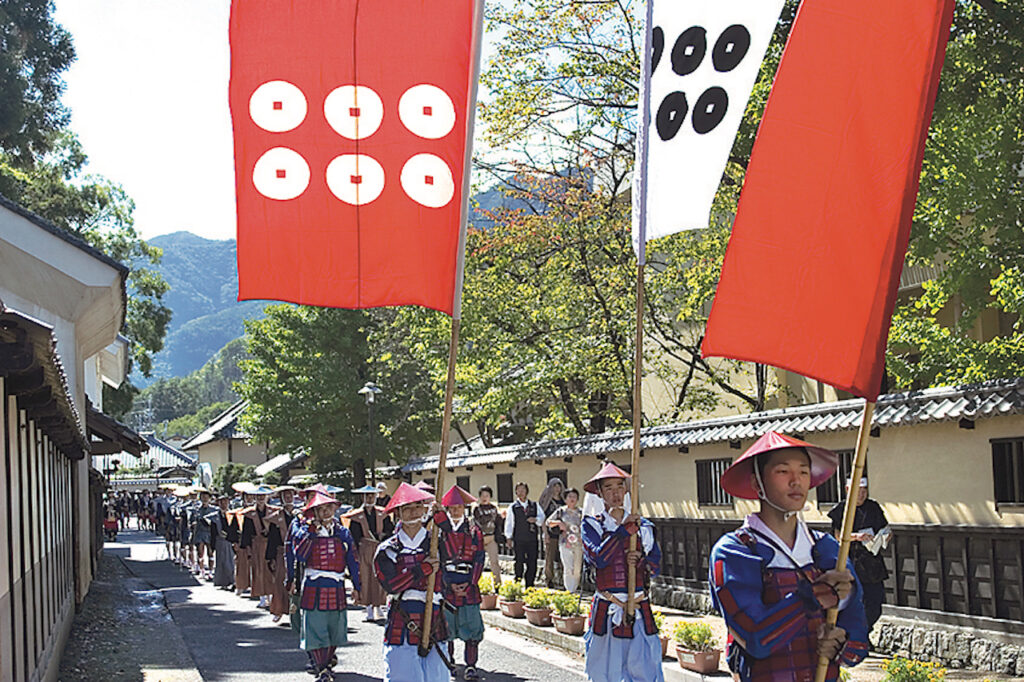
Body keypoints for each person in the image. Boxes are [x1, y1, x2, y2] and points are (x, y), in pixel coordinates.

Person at [709, 431, 869, 682]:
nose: (796, 481)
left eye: (804, 472)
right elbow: (754, 637)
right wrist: (814, 596)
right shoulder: (734, 551)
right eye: (783, 471)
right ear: (756, 483)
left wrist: (840, 643)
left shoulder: (826, 547)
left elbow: (857, 631)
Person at [582, 463, 664, 682]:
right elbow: (598, 559)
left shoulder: (644, 527)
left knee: (645, 669)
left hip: (638, 604)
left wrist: (639, 561)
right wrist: (621, 533)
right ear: (599, 493)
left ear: (627, 489)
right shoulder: (592, 525)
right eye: (608, 487)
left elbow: (655, 567)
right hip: (609, 605)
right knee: (602, 671)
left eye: (619, 486)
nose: (615, 492)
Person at [373, 482, 449, 682]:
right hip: (402, 615)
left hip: (434, 617)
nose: (413, 512)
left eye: (417, 506)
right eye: (406, 508)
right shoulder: (387, 549)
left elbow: (457, 559)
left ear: (425, 509)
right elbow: (390, 585)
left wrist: (446, 526)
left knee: (437, 678)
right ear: (398, 514)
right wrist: (421, 570)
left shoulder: (437, 544)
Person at [292, 490, 361, 682]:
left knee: (335, 629)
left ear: (335, 508)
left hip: (337, 585)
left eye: (329, 507)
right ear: (313, 511)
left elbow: (352, 560)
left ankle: (327, 662)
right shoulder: (304, 531)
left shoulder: (342, 532)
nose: (325, 512)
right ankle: (322, 669)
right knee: (315, 628)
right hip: (314, 585)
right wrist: (311, 533)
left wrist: (357, 586)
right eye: (320, 509)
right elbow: (299, 556)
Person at [828, 476, 890, 638]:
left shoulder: (873, 507)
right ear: (848, 490)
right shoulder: (841, 509)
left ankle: (864, 633)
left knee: (875, 604)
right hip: (851, 561)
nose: (861, 494)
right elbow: (837, 535)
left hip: (872, 561)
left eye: (864, 491)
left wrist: (885, 536)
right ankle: (855, 636)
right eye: (858, 491)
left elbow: (885, 528)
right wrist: (856, 536)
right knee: (853, 602)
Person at [436, 485, 486, 681]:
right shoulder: (440, 532)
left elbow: (480, 559)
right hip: (448, 585)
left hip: (469, 587)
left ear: (464, 507)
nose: (455, 510)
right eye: (452, 507)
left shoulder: (474, 530)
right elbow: (437, 560)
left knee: (472, 629)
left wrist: (470, 584)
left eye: (459, 506)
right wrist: (448, 585)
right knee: (447, 629)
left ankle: (471, 666)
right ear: (447, 509)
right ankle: (450, 665)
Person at [344, 484, 393, 622]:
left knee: (378, 576)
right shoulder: (356, 515)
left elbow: (390, 530)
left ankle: (378, 606)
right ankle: (369, 607)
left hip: (379, 547)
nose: (370, 498)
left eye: (372, 495)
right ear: (363, 497)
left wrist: (384, 536)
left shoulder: (383, 513)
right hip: (364, 548)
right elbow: (353, 535)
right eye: (368, 496)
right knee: (365, 577)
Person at [241, 485, 280, 608]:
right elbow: (246, 533)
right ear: (255, 498)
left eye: (263, 496)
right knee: (258, 571)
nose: (261, 498)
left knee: (272, 570)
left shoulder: (274, 511)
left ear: (267, 497)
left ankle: (272, 596)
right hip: (256, 544)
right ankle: (262, 597)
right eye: (258, 496)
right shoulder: (249, 513)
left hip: (271, 543)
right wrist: (247, 548)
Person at [267, 485, 301, 622]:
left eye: (290, 495)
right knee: (280, 582)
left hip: (298, 552)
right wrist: (270, 557)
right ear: (281, 498)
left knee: (298, 583)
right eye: (285, 496)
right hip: (281, 553)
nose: (288, 498)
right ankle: (279, 610)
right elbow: (272, 539)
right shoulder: (276, 517)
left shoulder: (300, 515)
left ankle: (296, 612)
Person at [503, 482, 544, 588]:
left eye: (523, 489)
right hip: (519, 538)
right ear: (516, 492)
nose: (521, 492)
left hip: (532, 538)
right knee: (519, 561)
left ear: (527, 491)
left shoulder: (534, 505)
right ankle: (517, 583)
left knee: (532, 562)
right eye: (519, 490)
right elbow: (509, 523)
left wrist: (535, 520)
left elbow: (542, 518)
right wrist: (508, 537)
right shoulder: (513, 507)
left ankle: (530, 585)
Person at [547, 487, 584, 593]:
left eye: (574, 497)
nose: (572, 499)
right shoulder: (561, 511)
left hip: (578, 543)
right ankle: (569, 591)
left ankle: (574, 588)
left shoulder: (581, 512)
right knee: (568, 568)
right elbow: (548, 522)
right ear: (565, 499)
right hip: (565, 543)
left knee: (577, 569)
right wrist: (559, 523)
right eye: (570, 496)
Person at [471, 486, 503, 587]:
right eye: (483, 495)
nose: (485, 498)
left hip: (491, 537)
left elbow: (498, 522)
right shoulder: (476, 509)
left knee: (494, 562)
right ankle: (475, 584)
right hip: (480, 538)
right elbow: (477, 522)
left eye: (487, 495)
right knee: (478, 563)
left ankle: (497, 584)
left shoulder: (494, 508)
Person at [539, 478, 565, 587]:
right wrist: (545, 533)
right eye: (555, 486)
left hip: (563, 534)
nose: (557, 488)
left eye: (559, 486)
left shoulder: (563, 501)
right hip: (551, 533)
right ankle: (549, 579)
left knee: (563, 558)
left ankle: (564, 580)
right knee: (549, 557)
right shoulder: (547, 502)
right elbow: (543, 518)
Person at [210, 494, 236, 589]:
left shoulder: (233, 514)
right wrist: (212, 546)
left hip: (230, 540)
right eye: (221, 502)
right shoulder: (215, 516)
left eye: (225, 502)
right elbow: (212, 532)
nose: (224, 504)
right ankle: (223, 582)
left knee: (231, 562)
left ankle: (233, 581)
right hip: (219, 540)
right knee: (221, 562)